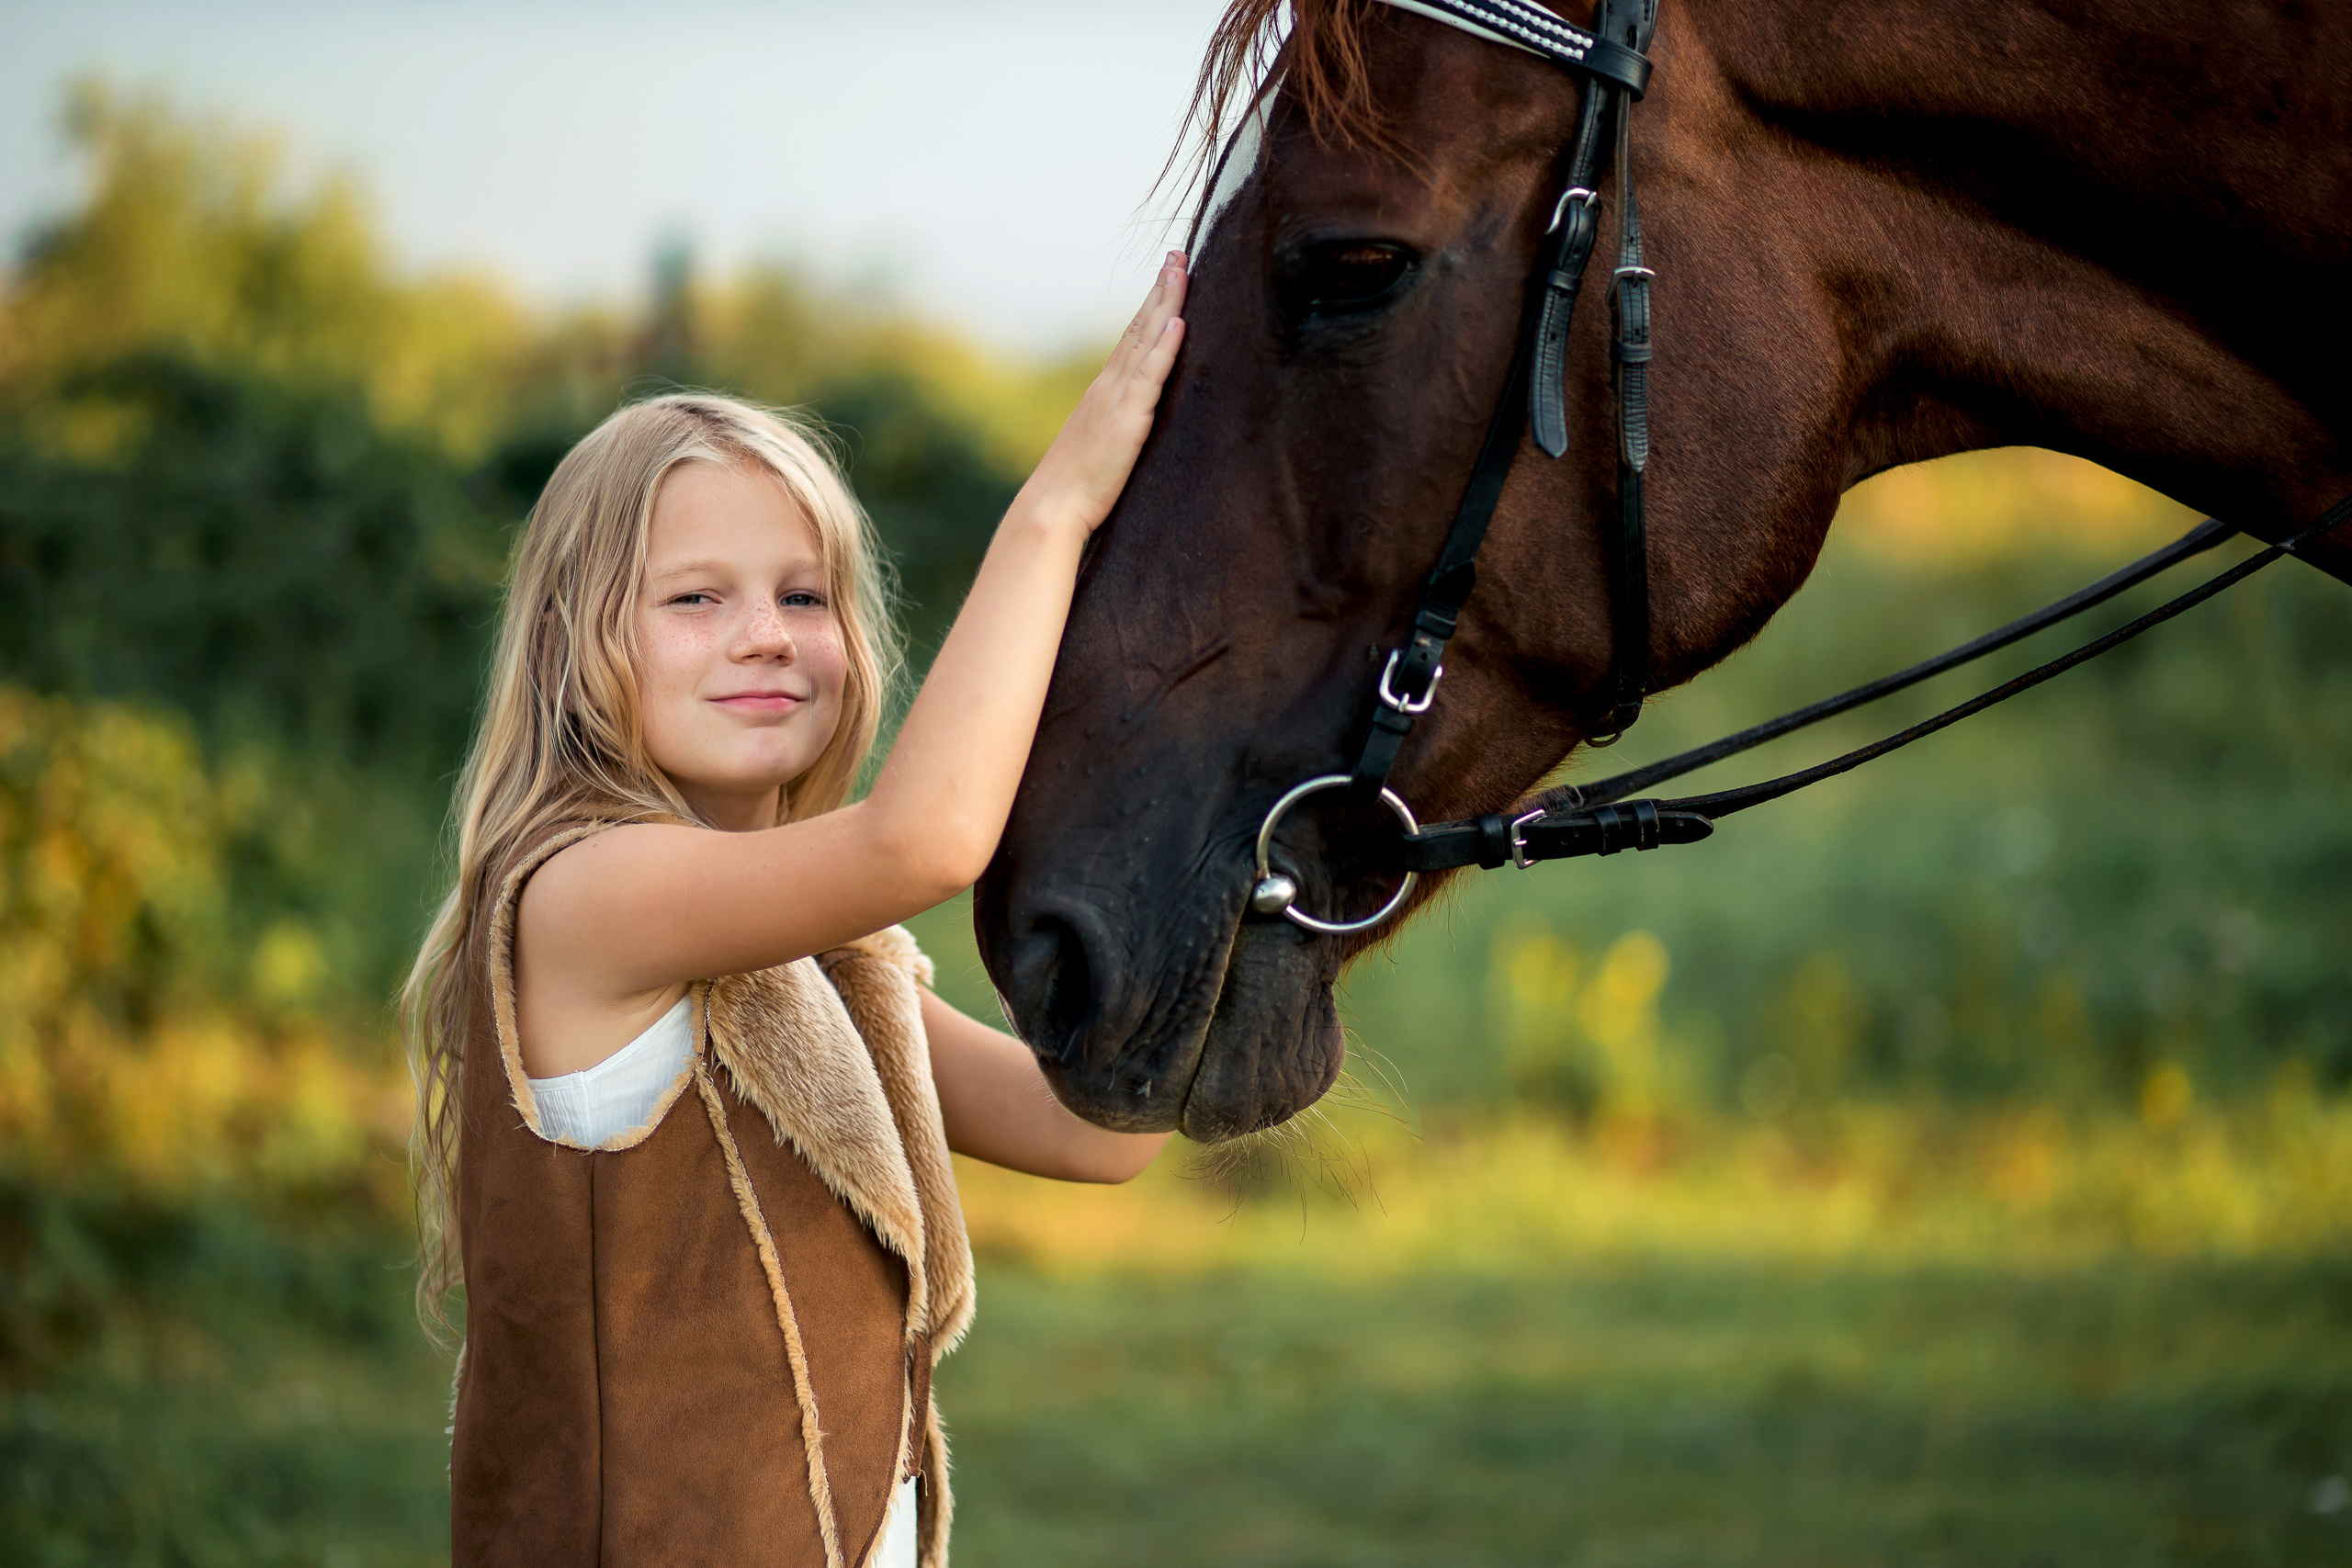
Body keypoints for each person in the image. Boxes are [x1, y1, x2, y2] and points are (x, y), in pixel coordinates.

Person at [401, 256, 1190, 1567]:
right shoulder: (580, 892)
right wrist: (1057, 507)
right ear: (575, 638)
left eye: (803, 595)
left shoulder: (821, 971)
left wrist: (1257, 853)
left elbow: (1100, 1131)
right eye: (696, 598)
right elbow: (923, 839)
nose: (765, 634)